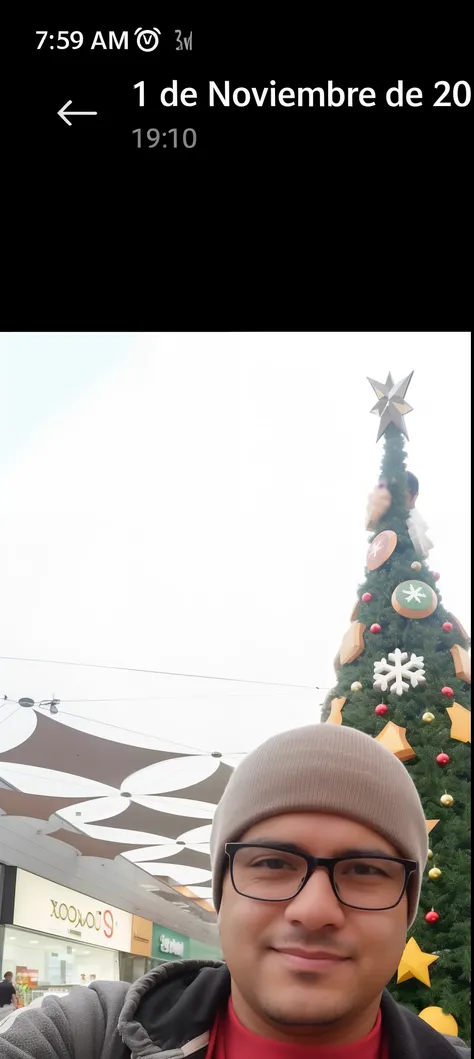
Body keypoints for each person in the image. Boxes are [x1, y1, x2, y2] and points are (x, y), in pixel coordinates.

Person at [0, 724, 469, 1057]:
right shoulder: (88, 1034)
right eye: (272, 863)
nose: (315, 909)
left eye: (365, 870)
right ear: (222, 892)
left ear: (407, 906)